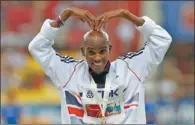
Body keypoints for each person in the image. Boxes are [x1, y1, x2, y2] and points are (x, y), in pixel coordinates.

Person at [28, 7, 172, 124]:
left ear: (109, 49)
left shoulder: (131, 69)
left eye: (102, 51)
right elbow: (37, 47)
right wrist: (65, 16)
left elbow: (162, 40)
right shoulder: (69, 73)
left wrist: (127, 15)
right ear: (82, 51)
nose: (97, 57)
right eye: (91, 52)